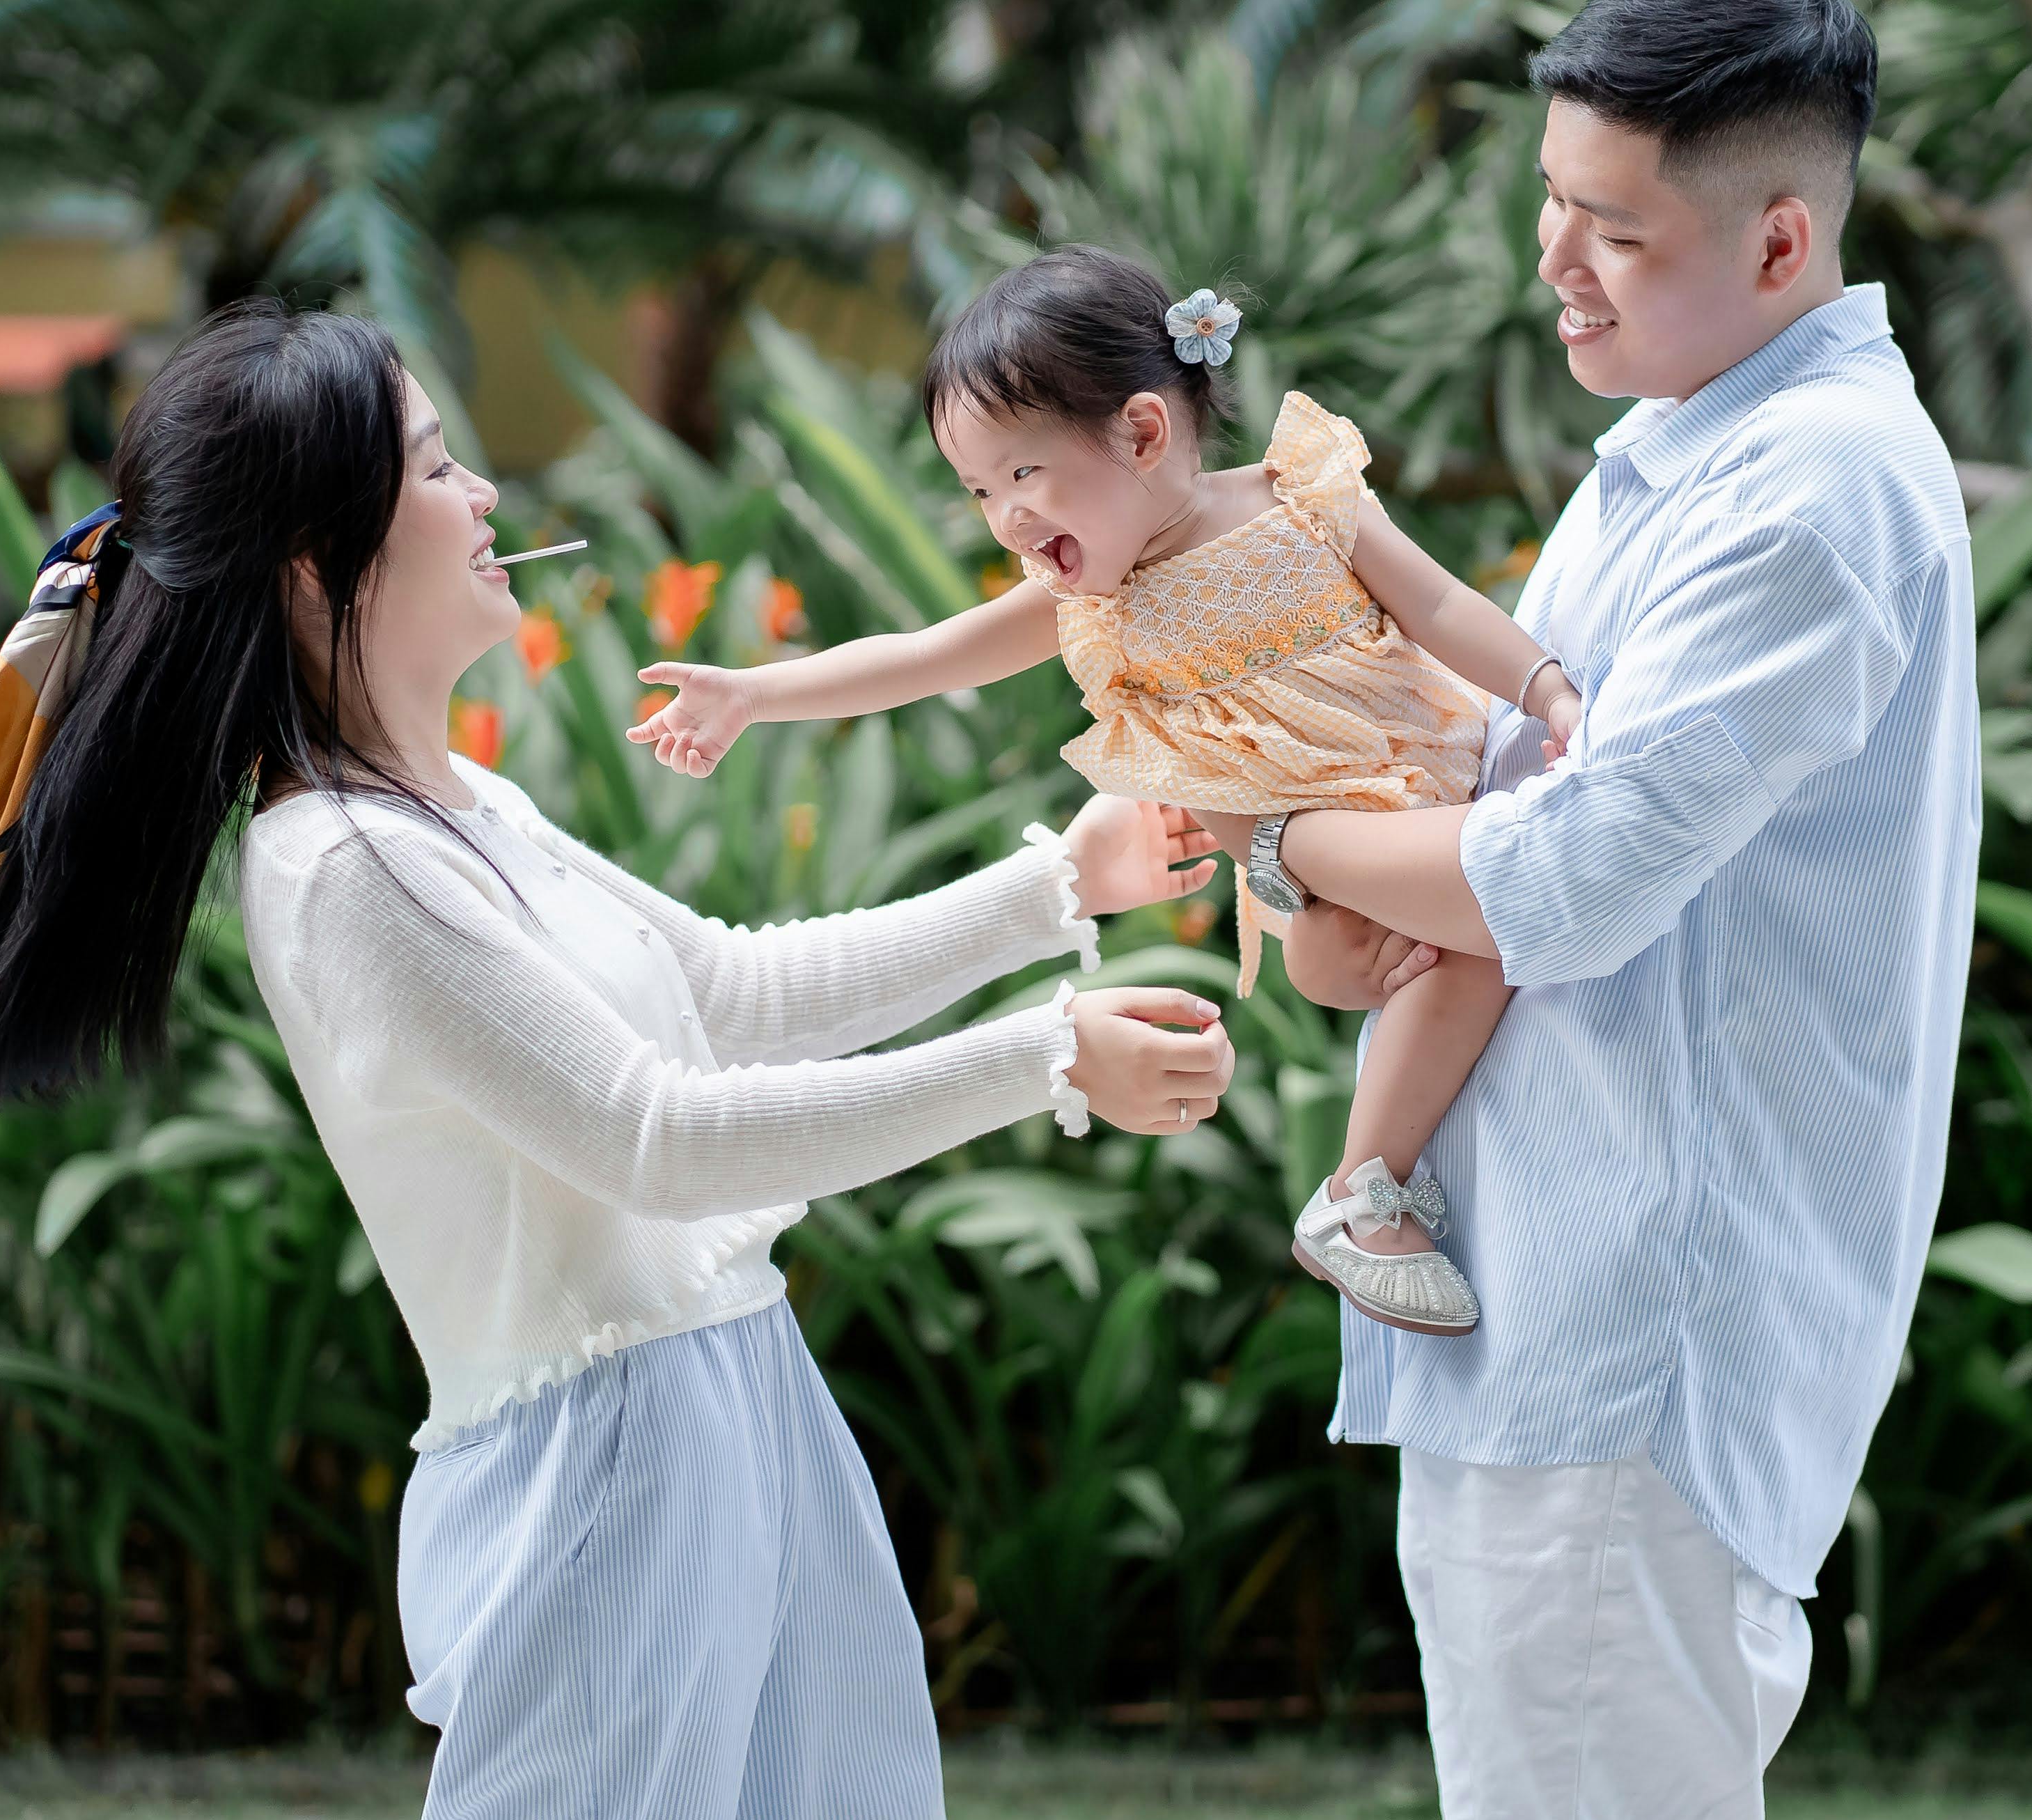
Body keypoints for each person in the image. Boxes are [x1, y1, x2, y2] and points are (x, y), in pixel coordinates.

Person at [0, 298, 1233, 1820]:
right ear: (316, 562)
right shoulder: (345, 866)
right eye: (438, 469)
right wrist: (1045, 1055)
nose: (485, 496)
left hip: (735, 1400)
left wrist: (1061, 884)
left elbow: (727, 990)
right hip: (605, 1472)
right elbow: (658, 1134)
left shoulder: (445, 802)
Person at [1188, 0, 1981, 1820]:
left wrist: (1271, 832)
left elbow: (1557, 883)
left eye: (1610, 232)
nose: (1554, 263)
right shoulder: (1681, 455)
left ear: (1780, 240)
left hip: (1631, 1349)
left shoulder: (1808, 496)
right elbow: (1479, 809)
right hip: (1545, 1313)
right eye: (1551, 209)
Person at [628, 249, 1587, 1340]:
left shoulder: (1302, 499)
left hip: (1434, 777)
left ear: (1141, 433)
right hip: (1339, 845)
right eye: (979, 489)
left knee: (1452, 935)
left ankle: (1370, 1178)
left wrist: (1545, 688)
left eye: (1022, 476)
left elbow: (1441, 602)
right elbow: (921, 655)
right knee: (1409, 951)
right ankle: (1364, 1190)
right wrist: (752, 693)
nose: (1003, 520)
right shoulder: (1088, 604)